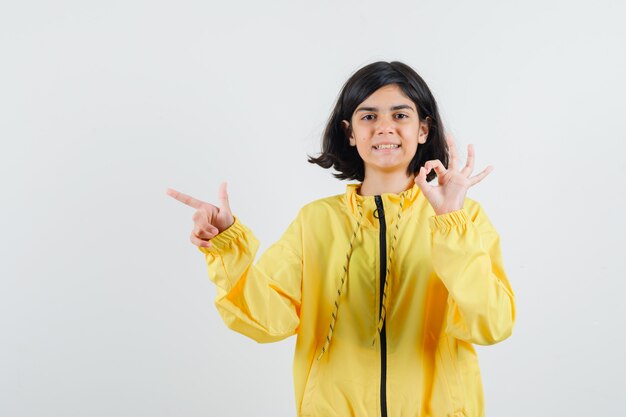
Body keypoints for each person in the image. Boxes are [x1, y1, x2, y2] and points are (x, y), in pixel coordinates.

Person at [166, 61, 516, 417]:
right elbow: (266, 320)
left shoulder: (462, 221)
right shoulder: (316, 221)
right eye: (368, 117)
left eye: (400, 115)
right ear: (349, 132)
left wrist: (450, 223)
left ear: (423, 129)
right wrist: (228, 243)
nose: (384, 128)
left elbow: (492, 324)